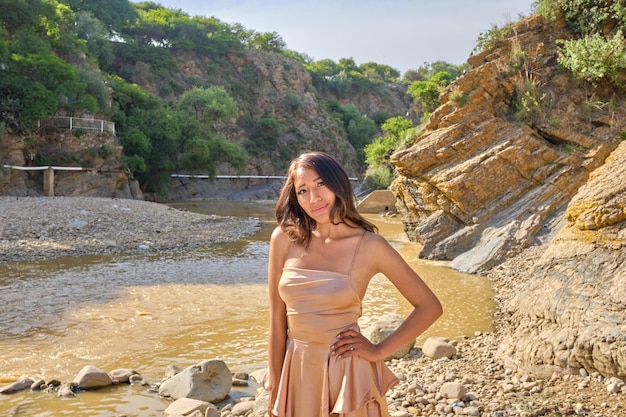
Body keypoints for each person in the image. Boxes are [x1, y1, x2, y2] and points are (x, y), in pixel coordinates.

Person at [265, 151, 443, 417]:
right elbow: (277, 319)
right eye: (303, 190)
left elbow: (429, 306)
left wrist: (378, 350)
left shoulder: (371, 246)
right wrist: (276, 379)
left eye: (321, 184)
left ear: (338, 184)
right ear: (295, 196)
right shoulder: (282, 239)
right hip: (297, 369)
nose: (314, 198)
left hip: (346, 371)